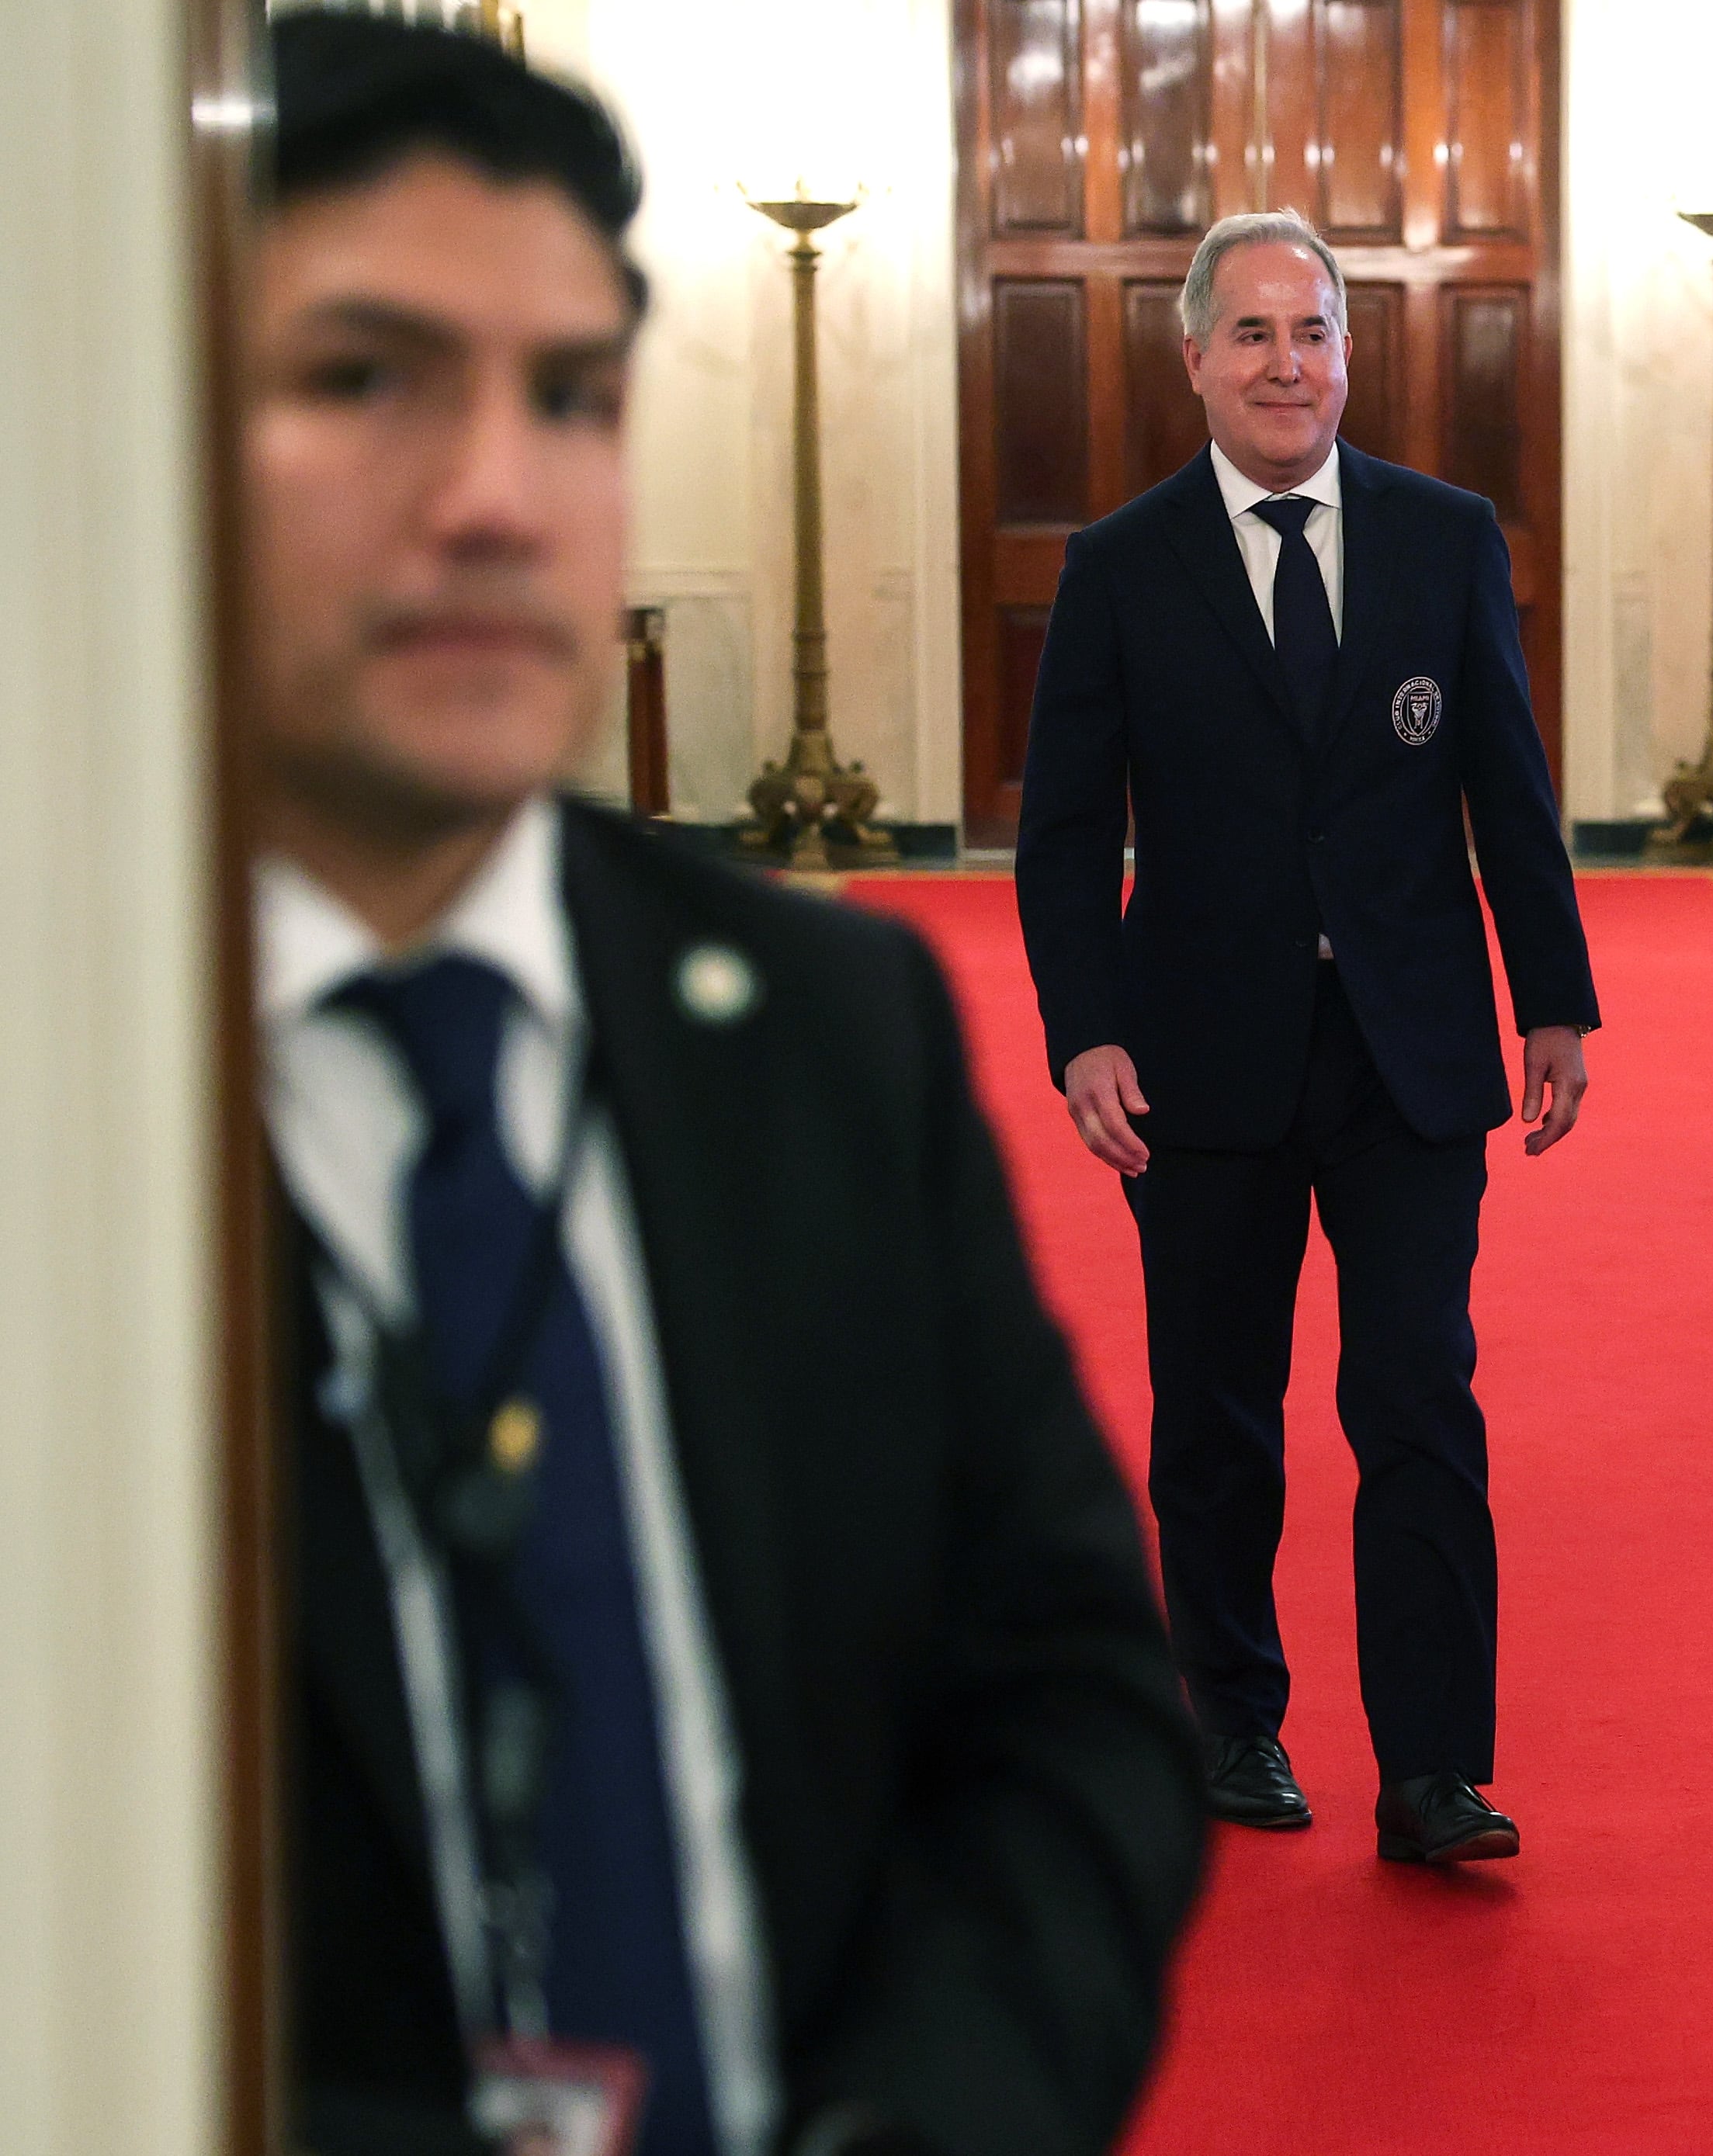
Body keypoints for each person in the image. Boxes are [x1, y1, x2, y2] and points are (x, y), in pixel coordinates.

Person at [255, 23, 1201, 2155]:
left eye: (571, 397)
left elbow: (1068, 1708)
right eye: (364, 378)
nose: (497, 494)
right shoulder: (73, 1087)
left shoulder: (817, 1021)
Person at [1014, 212, 1597, 1867]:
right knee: (1218, 1407)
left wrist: (1550, 993)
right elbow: (1064, 833)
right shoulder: (1122, 565)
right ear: (1192, 359)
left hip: (1407, 1049)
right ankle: (1232, 1717)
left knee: (1418, 1395)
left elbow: (1506, 782)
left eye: (1315, 331)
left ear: (1351, 352)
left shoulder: (1440, 534)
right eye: (1253, 334)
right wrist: (1086, 1034)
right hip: (1198, 1057)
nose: (1288, 364)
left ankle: (1430, 1770)